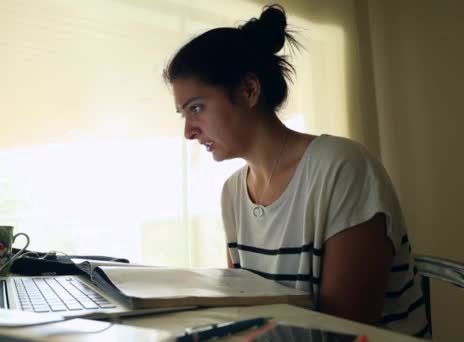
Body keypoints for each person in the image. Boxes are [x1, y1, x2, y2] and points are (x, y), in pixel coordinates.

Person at [163, 4, 429, 338]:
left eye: (197, 108)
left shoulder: (341, 168)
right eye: (183, 114)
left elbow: (344, 330)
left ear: (248, 90)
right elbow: (245, 308)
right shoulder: (233, 193)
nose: (189, 131)